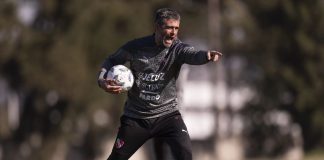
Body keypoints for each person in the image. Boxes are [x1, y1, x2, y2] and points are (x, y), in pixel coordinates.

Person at [98, 8, 222, 160]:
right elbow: (111, 60)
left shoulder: (178, 49)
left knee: (185, 155)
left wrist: (206, 56)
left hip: (168, 117)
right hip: (136, 118)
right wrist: (102, 79)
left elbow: (193, 55)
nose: (173, 32)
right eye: (169, 27)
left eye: (176, 28)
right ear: (157, 27)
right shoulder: (136, 47)